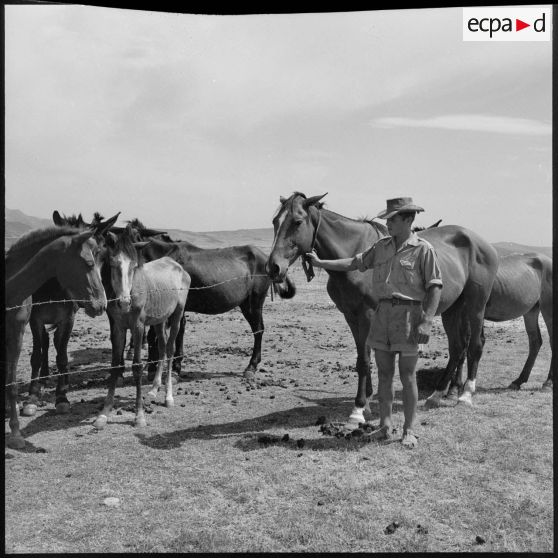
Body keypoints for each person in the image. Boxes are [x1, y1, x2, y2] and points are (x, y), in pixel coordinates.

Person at [306, 197, 442, 449]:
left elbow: (435, 287)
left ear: (409, 220)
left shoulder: (423, 250)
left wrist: (427, 321)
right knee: (385, 375)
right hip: (382, 315)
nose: (387, 223)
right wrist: (321, 263)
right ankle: (385, 426)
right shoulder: (381, 247)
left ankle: (409, 430)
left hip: (409, 317)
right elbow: (355, 262)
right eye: (387, 219)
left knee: (408, 376)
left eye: (393, 219)